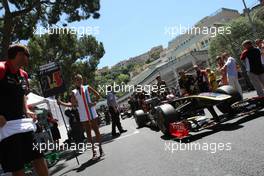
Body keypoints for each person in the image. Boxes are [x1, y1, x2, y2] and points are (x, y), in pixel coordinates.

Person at [0, 44, 49, 176]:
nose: (29, 59)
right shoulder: (1, 68)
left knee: (38, 156)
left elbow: (22, 95)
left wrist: (27, 109)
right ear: (20, 55)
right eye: (27, 55)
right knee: (17, 166)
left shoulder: (24, 75)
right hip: (6, 127)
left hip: (23, 123)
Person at [58, 74, 104, 159]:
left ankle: (100, 149)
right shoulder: (73, 92)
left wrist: (94, 103)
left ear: (82, 80)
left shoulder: (87, 87)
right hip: (83, 114)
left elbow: (97, 95)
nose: (79, 81)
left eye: (80, 79)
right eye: (77, 80)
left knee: (96, 131)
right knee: (88, 134)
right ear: (74, 82)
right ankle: (94, 152)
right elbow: (72, 104)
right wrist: (61, 103)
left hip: (91, 112)